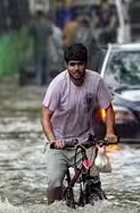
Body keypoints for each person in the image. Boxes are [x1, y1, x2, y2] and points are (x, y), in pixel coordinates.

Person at [41, 43, 117, 203]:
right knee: (55, 182)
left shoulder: (95, 81)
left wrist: (110, 132)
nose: (77, 68)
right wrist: (53, 140)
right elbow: (45, 116)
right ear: (66, 65)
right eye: (72, 64)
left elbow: (108, 108)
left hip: (84, 143)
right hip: (59, 143)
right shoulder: (58, 84)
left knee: (93, 183)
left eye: (80, 64)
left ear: (86, 64)